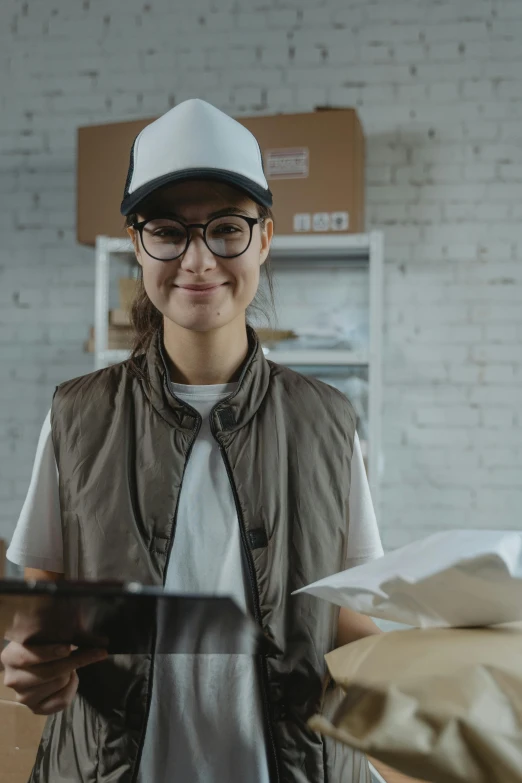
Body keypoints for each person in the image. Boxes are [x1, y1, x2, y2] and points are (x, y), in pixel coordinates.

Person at [1, 99, 384, 783]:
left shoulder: (328, 420)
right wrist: (33, 665)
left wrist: (440, 672)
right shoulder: (77, 416)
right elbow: (43, 607)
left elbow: (351, 627)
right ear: (137, 243)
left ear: (264, 239)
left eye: (227, 229)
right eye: (169, 231)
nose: (198, 259)